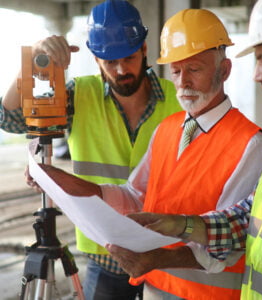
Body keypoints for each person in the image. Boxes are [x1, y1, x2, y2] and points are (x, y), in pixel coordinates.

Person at [26, 8, 262, 300]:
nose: (183, 82)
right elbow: (136, 196)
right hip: (154, 290)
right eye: (177, 71)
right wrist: (68, 184)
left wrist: (157, 259)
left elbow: (232, 240)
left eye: (194, 69)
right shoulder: (168, 129)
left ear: (225, 70)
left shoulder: (250, 143)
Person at [0, 0, 183, 299]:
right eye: (110, 61)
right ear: (96, 59)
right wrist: (34, 58)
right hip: (104, 257)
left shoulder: (179, 101)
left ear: (145, 49)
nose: (121, 69)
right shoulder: (78, 95)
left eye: (129, 57)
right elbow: (8, 119)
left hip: (164, 255)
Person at [126, 0, 262, 299]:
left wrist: (166, 251)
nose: (257, 75)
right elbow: (248, 217)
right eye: (176, 70)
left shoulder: (254, 142)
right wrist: (180, 224)